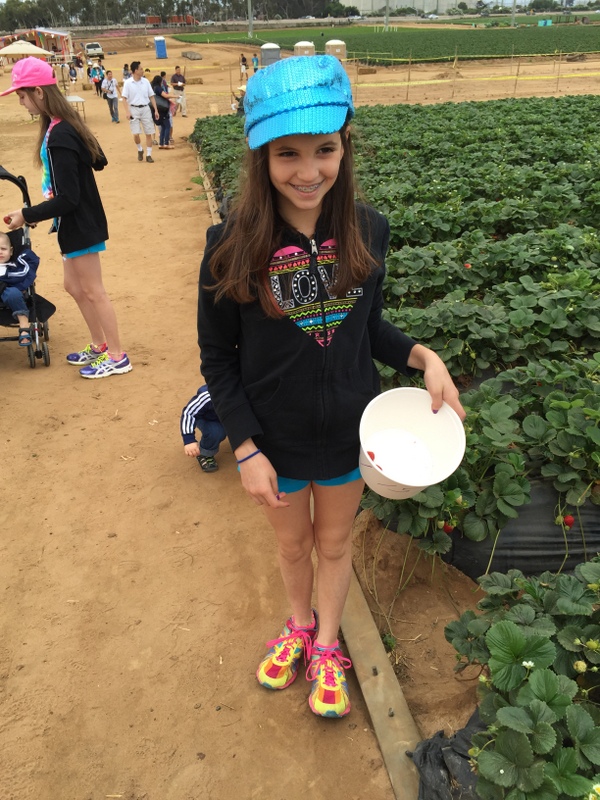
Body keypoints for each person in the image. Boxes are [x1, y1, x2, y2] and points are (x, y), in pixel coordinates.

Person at [197, 55, 465, 719]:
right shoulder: (230, 244)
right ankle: (297, 623)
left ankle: (326, 645)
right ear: (261, 156)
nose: (308, 171)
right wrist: (246, 447)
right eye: (286, 153)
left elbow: (368, 329)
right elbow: (218, 358)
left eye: (324, 149)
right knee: (293, 544)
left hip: (351, 431)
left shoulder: (367, 231)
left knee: (336, 544)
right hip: (275, 439)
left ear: (345, 146)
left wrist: (424, 357)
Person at [1, 57, 132, 379]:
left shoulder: (60, 134)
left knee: (93, 290)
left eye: (22, 95)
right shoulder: (63, 126)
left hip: (80, 223)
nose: (21, 102)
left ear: (39, 92)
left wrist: (26, 215)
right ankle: (99, 345)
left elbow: (69, 198)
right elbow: (98, 160)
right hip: (73, 222)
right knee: (73, 286)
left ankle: (117, 356)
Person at [0, 231, 39, 346]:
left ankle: (24, 326)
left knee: (14, 294)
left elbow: (23, 274)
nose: (0, 252)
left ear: (11, 251)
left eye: (3, 249)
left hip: (8, 292)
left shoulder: (15, 266)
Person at [180, 384, 227, 472]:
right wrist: (189, 439)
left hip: (230, 416)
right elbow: (189, 413)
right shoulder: (209, 396)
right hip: (208, 419)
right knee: (216, 432)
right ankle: (206, 453)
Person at [121, 61, 159, 163]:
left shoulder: (146, 82)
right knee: (136, 133)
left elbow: (151, 96)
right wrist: (127, 112)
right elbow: (124, 98)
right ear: (135, 71)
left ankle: (149, 155)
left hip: (145, 108)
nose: (143, 71)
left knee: (149, 132)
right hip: (133, 109)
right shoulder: (128, 83)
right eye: (141, 69)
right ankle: (140, 149)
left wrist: (156, 110)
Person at [151, 74, 173, 149]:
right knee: (167, 126)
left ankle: (161, 143)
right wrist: (176, 96)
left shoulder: (152, 88)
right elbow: (166, 96)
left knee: (163, 127)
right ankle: (166, 143)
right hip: (162, 110)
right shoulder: (158, 88)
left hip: (156, 109)